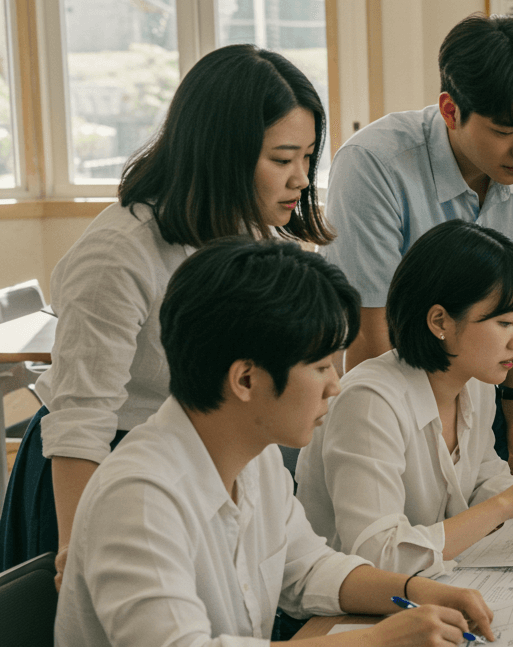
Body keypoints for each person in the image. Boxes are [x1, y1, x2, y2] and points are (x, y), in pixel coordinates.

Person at [32, 240, 498, 647]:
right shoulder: (141, 494)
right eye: (320, 366)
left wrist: (411, 591)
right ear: (246, 379)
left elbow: (309, 569)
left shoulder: (257, 458)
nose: (335, 385)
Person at [0, 45, 332, 578]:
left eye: (308, 158)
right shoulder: (121, 249)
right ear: (220, 152)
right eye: (282, 159)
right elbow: (81, 419)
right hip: (98, 469)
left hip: (192, 461)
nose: (301, 179)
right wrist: (78, 550)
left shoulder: (257, 233)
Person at [322, 13, 513, 471]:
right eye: (504, 131)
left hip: (478, 395)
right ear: (450, 109)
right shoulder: (373, 165)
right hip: (386, 403)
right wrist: (405, 449)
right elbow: (368, 332)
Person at [297, 221, 513, 575]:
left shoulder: (474, 381)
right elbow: (378, 556)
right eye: (505, 323)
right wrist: (510, 502)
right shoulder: (369, 402)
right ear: (440, 322)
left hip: (430, 586)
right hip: (344, 612)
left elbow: (480, 482)